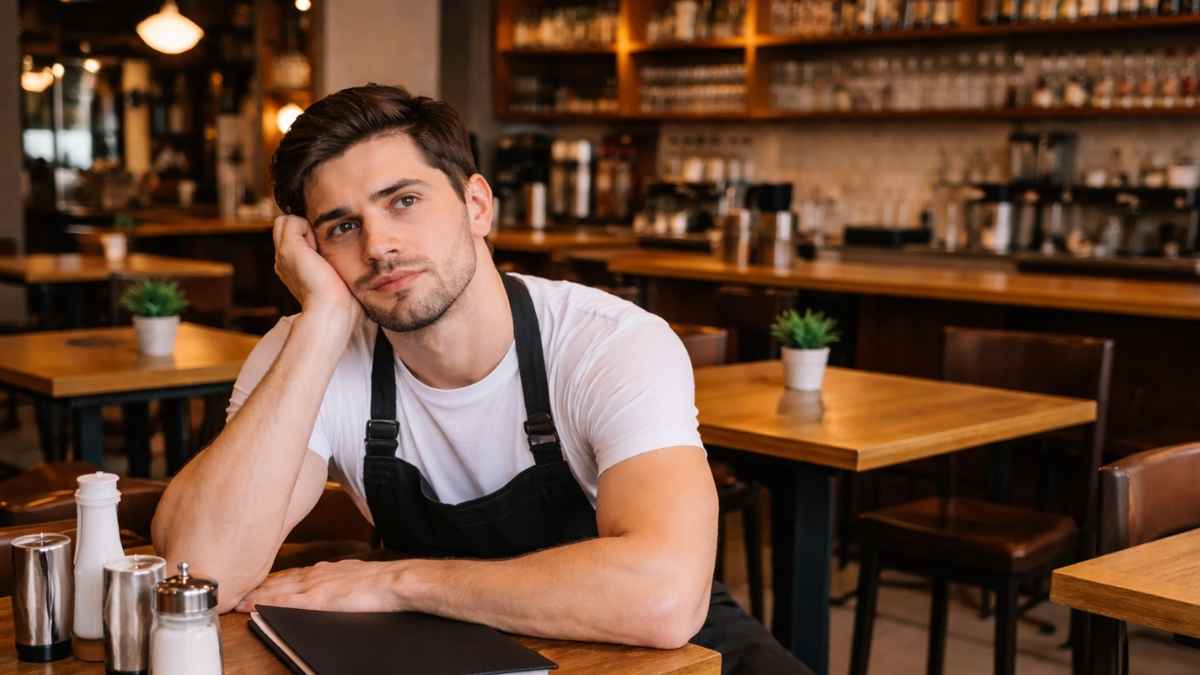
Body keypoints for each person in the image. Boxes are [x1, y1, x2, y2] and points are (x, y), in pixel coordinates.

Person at [151, 84, 810, 674]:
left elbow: (664, 597)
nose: (378, 244)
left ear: (476, 205)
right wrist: (322, 319)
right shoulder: (309, 349)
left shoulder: (607, 342)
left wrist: (396, 584)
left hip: (667, 655)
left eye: (403, 201)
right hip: (461, 649)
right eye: (343, 226)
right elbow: (202, 570)